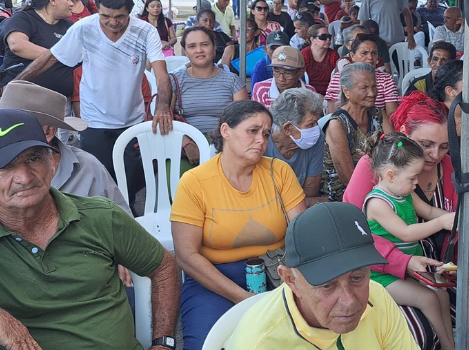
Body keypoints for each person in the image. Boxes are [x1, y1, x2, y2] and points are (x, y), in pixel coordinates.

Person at [0, 109, 180, 349]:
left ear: (52, 163)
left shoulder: (101, 216)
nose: (24, 177)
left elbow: (163, 267)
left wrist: (163, 343)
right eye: (4, 167)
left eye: (33, 159)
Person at [171, 100, 307, 348]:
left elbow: (301, 235)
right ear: (226, 131)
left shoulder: (279, 172)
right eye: (252, 131)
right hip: (213, 278)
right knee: (206, 344)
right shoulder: (195, 182)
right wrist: (243, 298)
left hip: (278, 271)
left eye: (266, 134)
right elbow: (187, 256)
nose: (261, 141)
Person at [15, 0, 174, 185]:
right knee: (99, 179)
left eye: (120, 17)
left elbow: (161, 73)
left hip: (132, 119)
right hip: (95, 119)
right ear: (97, 9)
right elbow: (50, 57)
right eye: (105, 16)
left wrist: (162, 106)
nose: (113, 22)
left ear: (130, 12)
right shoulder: (83, 28)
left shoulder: (145, 31)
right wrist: (17, 83)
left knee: (132, 182)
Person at [224, 201, 418, 349]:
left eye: (357, 277)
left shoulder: (378, 298)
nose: (349, 301)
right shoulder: (259, 343)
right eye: (327, 285)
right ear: (291, 280)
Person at [363, 133, 457, 350]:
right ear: (390, 175)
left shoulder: (404, 193)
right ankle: (446, 345)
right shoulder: (378, 204)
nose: (417, 182)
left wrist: (454, 218)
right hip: (382, 275)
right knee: (428, 299)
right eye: (412, 177)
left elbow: (429, 211)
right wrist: (442, 222)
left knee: (441, 294)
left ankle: (450, 339)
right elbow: (406, 233)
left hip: (407, 268)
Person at [0, 81, 128, 214]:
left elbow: (122, 225)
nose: (24, 179)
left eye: (18, 127)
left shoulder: (87, 167)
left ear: (48, 131)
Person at [169, 26, 248, 167]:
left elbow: (244, 121)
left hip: (225, 146)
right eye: (192, 46)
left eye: (204, 44)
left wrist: (222, 145)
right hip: (183, 148)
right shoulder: (175, 81)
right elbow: (165, 119)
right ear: (185, 51)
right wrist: (186, 143)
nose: (199, 50)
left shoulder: (232, 80)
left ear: (214, 47)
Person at [323, 63, 394, 201]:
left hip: (381, 187)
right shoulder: (337, 124)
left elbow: (397, 149)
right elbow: (348, 178)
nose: (372, 93)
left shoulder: (379, 114)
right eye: (364, 88)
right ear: (346, 91)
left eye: (374, 87)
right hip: (346, 195)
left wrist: (402, 142)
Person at [0, 0, 74, 98]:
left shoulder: (69, 27)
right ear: (53, 0)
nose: (71, 3)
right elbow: (17, 45)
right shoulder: (23, 19)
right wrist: (57, 56)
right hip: (21, 99)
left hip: (60, 103)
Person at [266, 89, 325, 205]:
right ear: (287, 128)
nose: (316, 129)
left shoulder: (316, 139)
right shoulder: (261, 143)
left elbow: (311, 191)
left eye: (316, 123)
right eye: (310, 124)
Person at [325, 35, 399, 115]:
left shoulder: (386, 79)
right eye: (364, 53)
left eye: (374, 53)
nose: (370, 57)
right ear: (352, 56)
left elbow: (392, 113)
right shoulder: (339, 77)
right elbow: (331, 113)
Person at [251, 46, 317, 109]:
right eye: (276, 72)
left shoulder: (309, 92)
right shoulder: (262, 89)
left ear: (300, 73)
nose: (281, 79)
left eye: (288, 73)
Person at [302, 24, 339, 95]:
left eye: (329, 37)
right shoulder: (304, 55)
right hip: (308, 95)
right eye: (323, 37)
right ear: (312, 40)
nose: (328, 39)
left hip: (330, 95)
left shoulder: (334, 55)